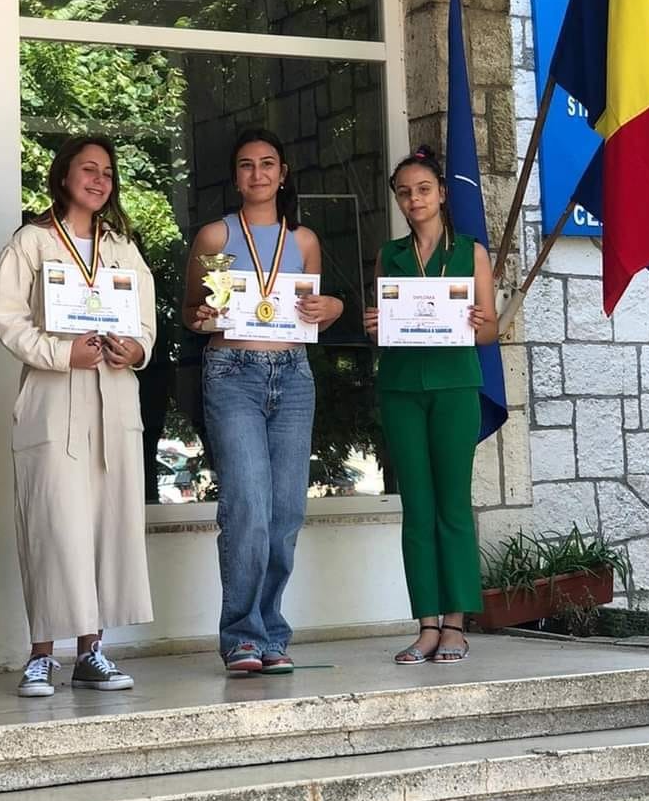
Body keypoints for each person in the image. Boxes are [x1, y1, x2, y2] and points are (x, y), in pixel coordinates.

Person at [0, 135, 156, 697]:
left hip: (113, 395)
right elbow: (7, 319)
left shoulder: (122, 248)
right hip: (53, 396)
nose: (99, 180)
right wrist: (62, 354)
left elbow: (145, 322)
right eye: (89, 169)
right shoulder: (31, 242)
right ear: (64, 176)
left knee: (107, 523)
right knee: (53, 524)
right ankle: (41, 655)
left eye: (107, 172)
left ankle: (92, 652)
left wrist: (135, 350)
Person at [182, 128, 343, 675]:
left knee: (286, 512)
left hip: (293, 375)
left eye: (268, 163)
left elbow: (311, 312)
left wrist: (332, 309)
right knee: (248, 506)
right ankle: (241, 636)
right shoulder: (215, 235)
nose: (258, 174)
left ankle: (271, 630)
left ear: (282, 174)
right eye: (247, 165)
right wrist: (202, 317)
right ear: (236, 177)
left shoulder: (304, 241)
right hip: (233, 374)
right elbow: (191, 312)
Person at [365, 146, 498, 665]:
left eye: (423, 189)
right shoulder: (390, 255)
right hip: (401, 387)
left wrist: (477, 322)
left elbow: (489, 331)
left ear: (442, 193)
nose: (414, 199)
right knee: (416, 507)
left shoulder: (471, 252)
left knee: (453, 506)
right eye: (404, 192)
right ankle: (426, 624)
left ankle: (456, 624)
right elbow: (384, 326)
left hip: (455, 387)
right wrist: (375, 324)